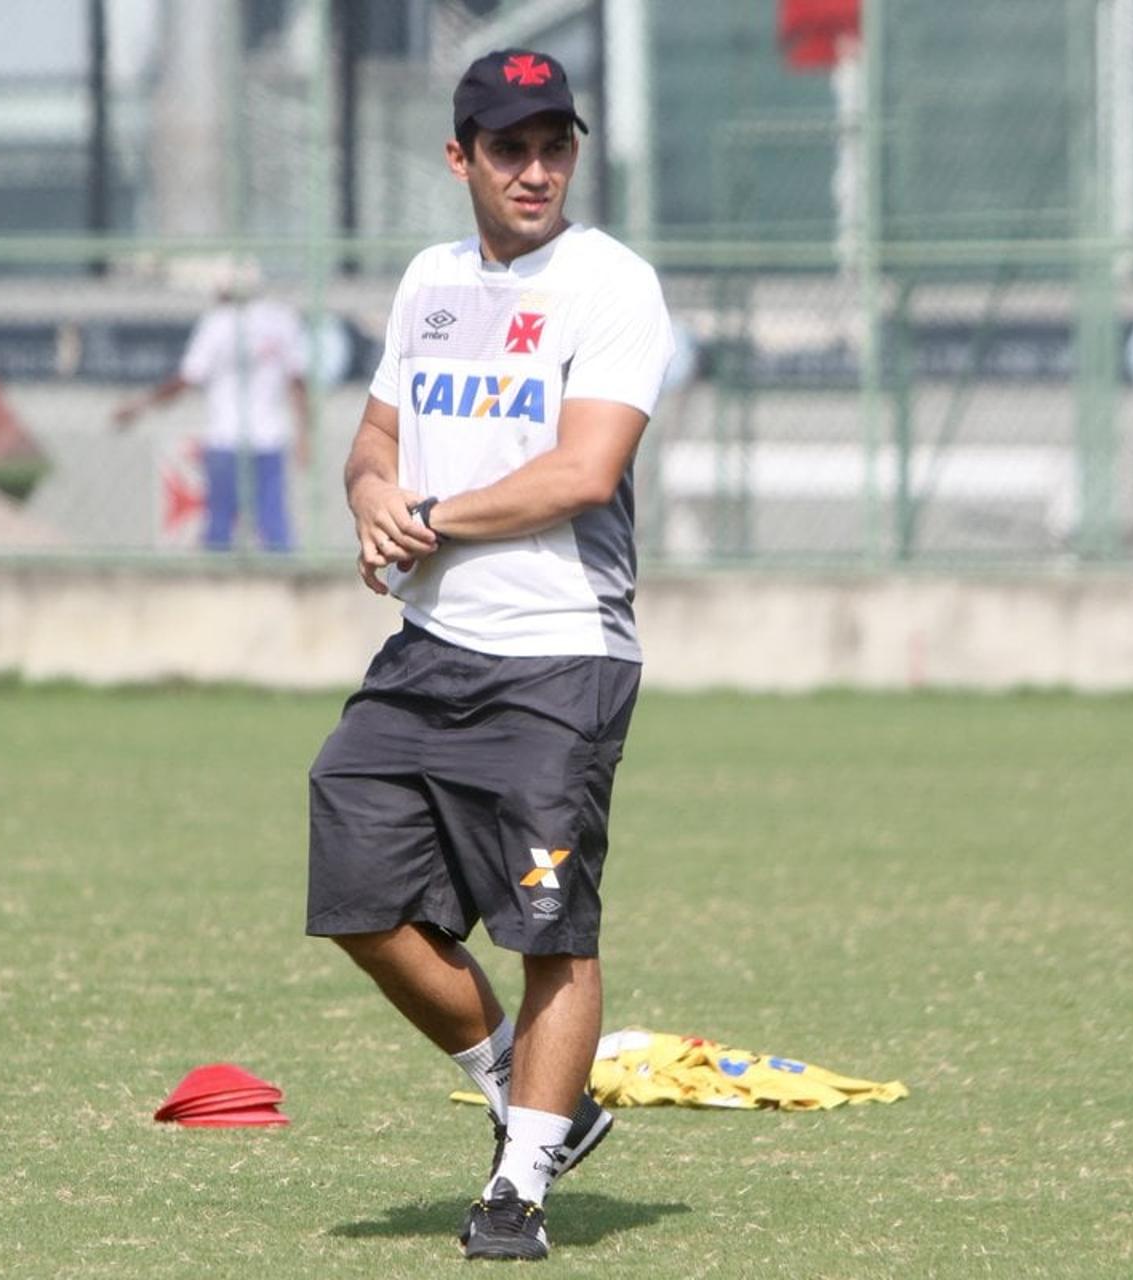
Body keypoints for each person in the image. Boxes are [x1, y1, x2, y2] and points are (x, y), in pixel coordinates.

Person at [305, 48, 675, 1263]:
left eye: (555, 144)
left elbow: (585, 471)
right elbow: (375, 438)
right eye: (509, 147)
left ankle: (519, 1180)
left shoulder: (612, 283)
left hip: (559, 660)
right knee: (359, 890)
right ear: (460, 156)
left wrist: (432, 516)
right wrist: (371, 496)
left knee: (553, 930)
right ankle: (531, 1086)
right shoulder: (428, 282)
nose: (536, 169)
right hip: (429, 648)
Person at [114, 263, 311, 552]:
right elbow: (298, 382)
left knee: (219, 524)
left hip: (226, 439)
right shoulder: (281, 320)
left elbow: (185, 380)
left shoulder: (218, 323)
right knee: (274, 525)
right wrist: (305, 433)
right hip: (270, 437)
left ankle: (216, 589)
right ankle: (290, 590)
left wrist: (139, 406)